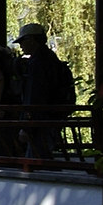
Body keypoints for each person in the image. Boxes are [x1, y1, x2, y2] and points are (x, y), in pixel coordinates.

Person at [13, 23, 69, 158]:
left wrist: (27, 126)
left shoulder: (38, 64)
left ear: (31, 40)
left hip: (40, 122)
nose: (20, 46)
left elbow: (34, 96)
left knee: (36, 160)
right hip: (51, 118)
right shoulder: (50, 59)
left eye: (22, 41)